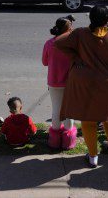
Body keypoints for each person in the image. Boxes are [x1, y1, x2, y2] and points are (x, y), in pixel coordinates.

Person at [55, 5, 108, 168]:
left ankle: (93, 157)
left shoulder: (80, 33)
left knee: (88, 120)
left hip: (85, 85)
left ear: (90, 18)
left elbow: (58, 42)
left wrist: (75, 57)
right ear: (107, 20)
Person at [42, 15, 77, 149]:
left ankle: (55, 139)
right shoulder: (72, 45)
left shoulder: (49, 43)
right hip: (70, 82)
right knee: (69, 109)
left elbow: (45, 62)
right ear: (67, 29)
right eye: (70, 27)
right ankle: (68, 140)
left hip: (54, 82)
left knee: (56, 108)